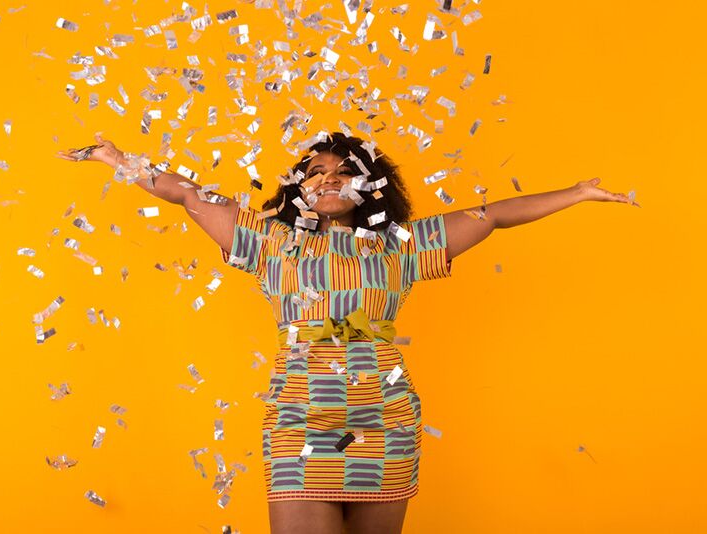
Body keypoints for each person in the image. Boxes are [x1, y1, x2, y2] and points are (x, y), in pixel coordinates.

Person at [58, 131, 634, 533]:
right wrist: (119, 160)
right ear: (299, 187)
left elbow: (493, 216)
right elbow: (187, 194)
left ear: (371, 186)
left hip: (385, 419)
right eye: (316, 173)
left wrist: (578, 193)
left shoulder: (402, 245)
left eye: (344, 173)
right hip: (299, 418)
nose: (328, 181)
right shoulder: (269, 239)